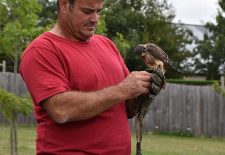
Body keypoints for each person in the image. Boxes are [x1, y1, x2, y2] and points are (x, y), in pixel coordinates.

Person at [19, 0, 163, 154]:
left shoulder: (107, 44)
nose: (95, 19)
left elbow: (126, 108)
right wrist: (123, 89)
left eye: (98, 11)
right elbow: (60, 110)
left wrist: (143, 92)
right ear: (64, 5)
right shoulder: (42, 50)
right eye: (87, 11)